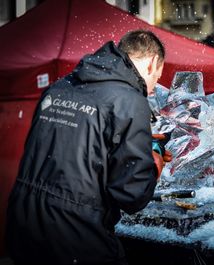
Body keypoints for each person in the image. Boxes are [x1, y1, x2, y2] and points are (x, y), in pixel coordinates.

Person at [6, 30, 168, 265]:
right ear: (152, 64)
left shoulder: (60, 87)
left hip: (22, 222)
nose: (152, 90)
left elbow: (75, 147)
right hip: (75, 234)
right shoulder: (131, 100)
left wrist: (127, 141)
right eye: (156, 80)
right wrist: (154, 162)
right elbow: (131, 195)